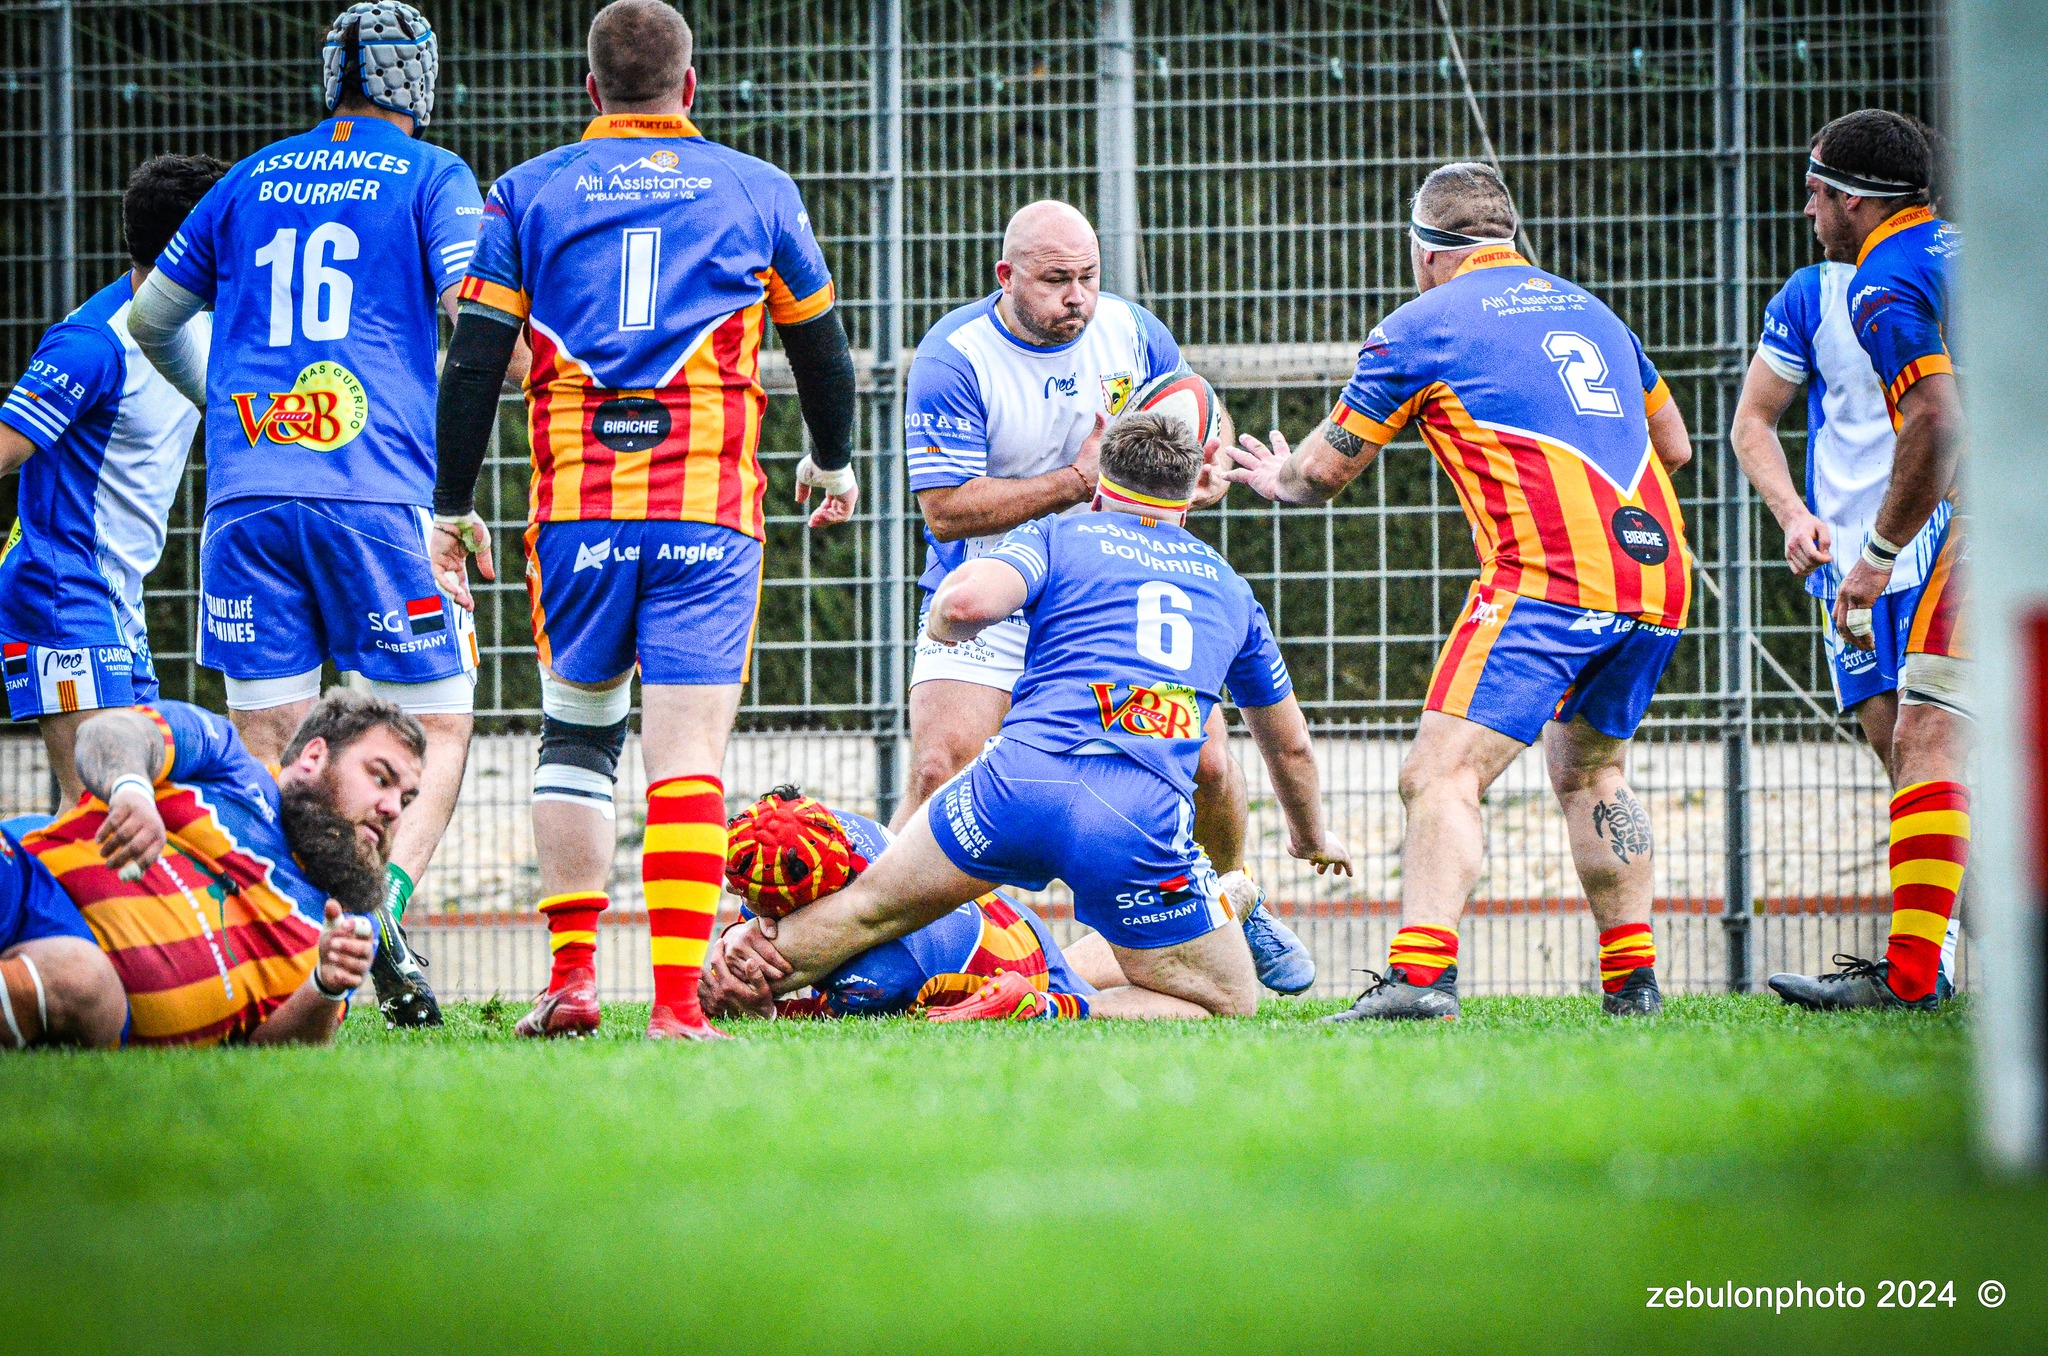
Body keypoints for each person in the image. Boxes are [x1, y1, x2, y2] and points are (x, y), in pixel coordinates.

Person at [429, 0, 859, 1041]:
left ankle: (572, 981)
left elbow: (475, 361)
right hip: (707, 516)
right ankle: (674, 1006)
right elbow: (822, 352)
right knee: (685, 758)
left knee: (576, 737)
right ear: (690, 86)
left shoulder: (526, 191)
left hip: (577, 512)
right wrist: (832, 459)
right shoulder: (757, 188)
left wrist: (449, 506)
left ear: (591, 90)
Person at [1227, 162, 1693, 1021]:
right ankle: (1635, 988)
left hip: (1551, 576)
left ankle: (1420, 979)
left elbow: (1321, 473)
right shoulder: (1594, 311)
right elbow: (1674, 448)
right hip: (1657, 573)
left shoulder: (1419, 325)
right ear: (1507, 238)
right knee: (1593, 771)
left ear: (1424, 251)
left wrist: (1273, 476)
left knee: (1439, 773)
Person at [716, 413, 1351, 1022]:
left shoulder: (1058, 535)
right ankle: (1045, 1006)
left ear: (1099, 490)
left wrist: (944, 627)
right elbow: (1289, 745)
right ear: (1188, 499)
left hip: (1014, 784)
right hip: (1134, 816)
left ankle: (717, 980)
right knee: (1226, 1000)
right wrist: (1310, 837)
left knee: (868, 909)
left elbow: (963, 604)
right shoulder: (1230, 588)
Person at [124, 2, 494, 1026]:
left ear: (330, 75)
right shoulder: (433, 175)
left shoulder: (248, 177)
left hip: (247, 497)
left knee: (271, 746)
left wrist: (225, 405)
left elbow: (152, 316)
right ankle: (380, 920)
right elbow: (471, 316)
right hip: (376, 491)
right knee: (438, 721)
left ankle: (277, 962)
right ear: (419, 81)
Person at [899, 198, 1314, 995]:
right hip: (998, 582)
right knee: (936, 766)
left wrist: (1203, 464)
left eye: (1088, 277)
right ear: (1006, 276)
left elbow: (1196, 409)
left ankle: (1232, 900)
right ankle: (895, 956)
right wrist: (1077, 480)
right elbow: (946, 509)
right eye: (1056, 280)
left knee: (1212, 764)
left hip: (1111, 588)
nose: (1078, 298)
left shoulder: (1130, 330)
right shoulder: (956, 357)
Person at [1728, 115, 1960, 996]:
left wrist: (1884, 549)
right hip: (1856, 565)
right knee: (1916, 758)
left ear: (1854, 199)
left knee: (1929, 745)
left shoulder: (1883, 281)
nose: (1806, 208)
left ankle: (1919, 973)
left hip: (1926, 544)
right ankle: (1929, 965)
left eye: (1816, 192)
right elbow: (1752, 422)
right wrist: (1794, 515)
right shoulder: (1821, 292)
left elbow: (1937, 420)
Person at [1, 690, 422, 1048]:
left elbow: (269, 1051)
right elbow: (109, 732)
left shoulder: (345, 923)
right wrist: (131, 790)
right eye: (380, 779)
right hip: (27, 884)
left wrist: (326, 987)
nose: (392, 809)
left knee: (80, 980)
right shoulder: (226, 759)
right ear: (314, 756)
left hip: (89, 994)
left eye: (405, 800)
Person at [0, 154, 227, 806]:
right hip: (61, 592)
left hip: (116, 601)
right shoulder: (92, 345)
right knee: (99, 810)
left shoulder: (201, 324)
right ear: (196, 243)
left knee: (138, 806)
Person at [687, 787, 1096, 1025]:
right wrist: (742, 931)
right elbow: (777, 868)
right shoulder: (825, 828)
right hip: (1004, 917)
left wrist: (766, 1012)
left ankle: (1059, 1003)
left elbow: (825, 1022)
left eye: (743, 891)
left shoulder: (879, 977)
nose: (732, 891)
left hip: (1020, 968)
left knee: (1110, 1006)